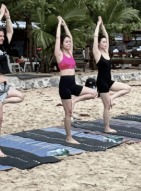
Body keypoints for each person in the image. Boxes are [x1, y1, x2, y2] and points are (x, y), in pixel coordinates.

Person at [0, 5, 26, 156]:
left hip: (4, 87)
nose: (2, 38)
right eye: (0, 36)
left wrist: (8, 17)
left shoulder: (3, 48)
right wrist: (0, 15)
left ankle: (3, 102)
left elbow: (10, 32)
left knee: (21, 96)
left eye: (2, 36)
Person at [54, 15, 98, 143]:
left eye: (69, 42)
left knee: (94, 93)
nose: (69, 43)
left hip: (73, 84)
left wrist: (65, 25)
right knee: (68, 113)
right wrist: (59, 24)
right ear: (62, 44)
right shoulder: (59, 54)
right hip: (64, 85)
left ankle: (75, 99)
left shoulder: (70, 53)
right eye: (66, 42)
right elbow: (57, 38)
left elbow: (71, 37)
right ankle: (69, 137)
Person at [92, 15, 133, 133]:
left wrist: (103, 25)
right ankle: (107, 128)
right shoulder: (97, 53)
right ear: (99, 44)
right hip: (102, 83)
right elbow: (95, 37)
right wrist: (98, 25)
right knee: (107, 106)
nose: (105, 43)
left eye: (106, 42)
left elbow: (106, 35)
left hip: (109, 81)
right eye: (103, 42)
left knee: (127, 88)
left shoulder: (106, 51)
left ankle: (112, 97)